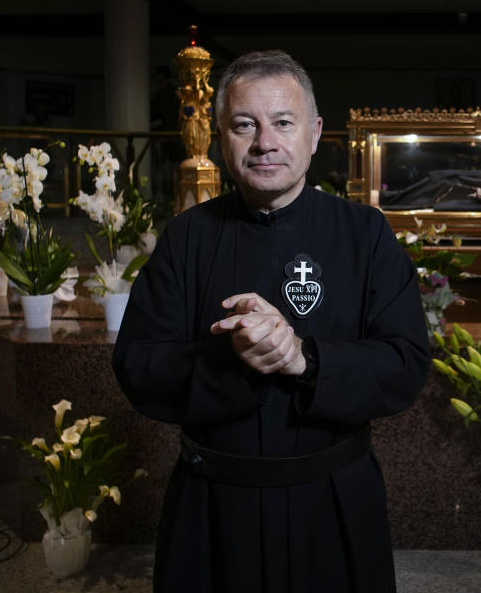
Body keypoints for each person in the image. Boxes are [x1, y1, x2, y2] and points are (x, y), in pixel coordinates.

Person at [113, 50, 430, 592]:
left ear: (314, 132)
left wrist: (304, 358)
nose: (264, 142)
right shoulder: (186, 238)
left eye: (283, 122)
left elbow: (405, 363)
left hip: (333, 501)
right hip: (212, 504)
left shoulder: (366, 234)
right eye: (244, 125)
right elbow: (138, 365)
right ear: (220, 136)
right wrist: (229, 356)